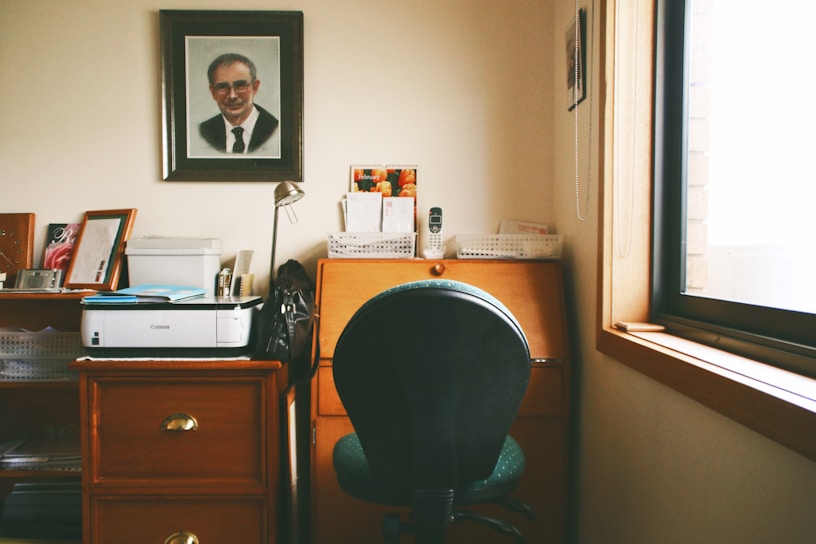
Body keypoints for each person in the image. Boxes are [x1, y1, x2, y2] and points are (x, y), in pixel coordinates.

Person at [199, 53, 279, 154]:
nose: (232, 96)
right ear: (213, 92)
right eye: (222, 87)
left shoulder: (275, 129)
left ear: (255, 87)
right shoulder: (204, 131)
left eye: (240, 85)